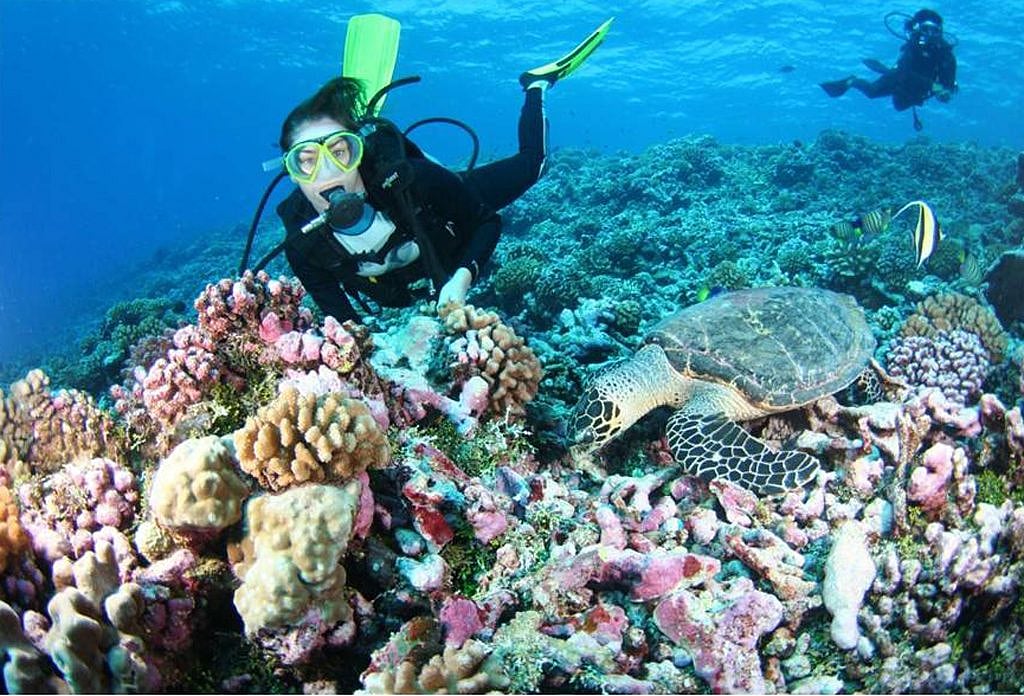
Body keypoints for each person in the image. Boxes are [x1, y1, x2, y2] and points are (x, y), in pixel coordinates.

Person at [274, 20, 611, 324]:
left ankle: (536, 85)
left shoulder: (414, 180)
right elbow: (345, 328)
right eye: (307, 160)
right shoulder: (304, 246)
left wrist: (462, 278)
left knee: (532, 164)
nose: (328, 171)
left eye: (339, 151)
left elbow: (487, 222)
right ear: (292, 172)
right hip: (416, 270)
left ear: (357, 152)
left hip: (442, 201)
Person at [820, 9, 957, 128]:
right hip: (899, 79)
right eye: (926, 29)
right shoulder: (913, 46)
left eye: (935, 30)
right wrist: (935, 87)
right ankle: (852, 81)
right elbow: (904, 73)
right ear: (917, 29)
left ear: (940, 32)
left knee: (900, 106)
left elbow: (948, 84)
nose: (930, 35)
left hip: (919, 90)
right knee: (872, 92)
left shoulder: (946, 54)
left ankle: (883, 70)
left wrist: (944, 93)